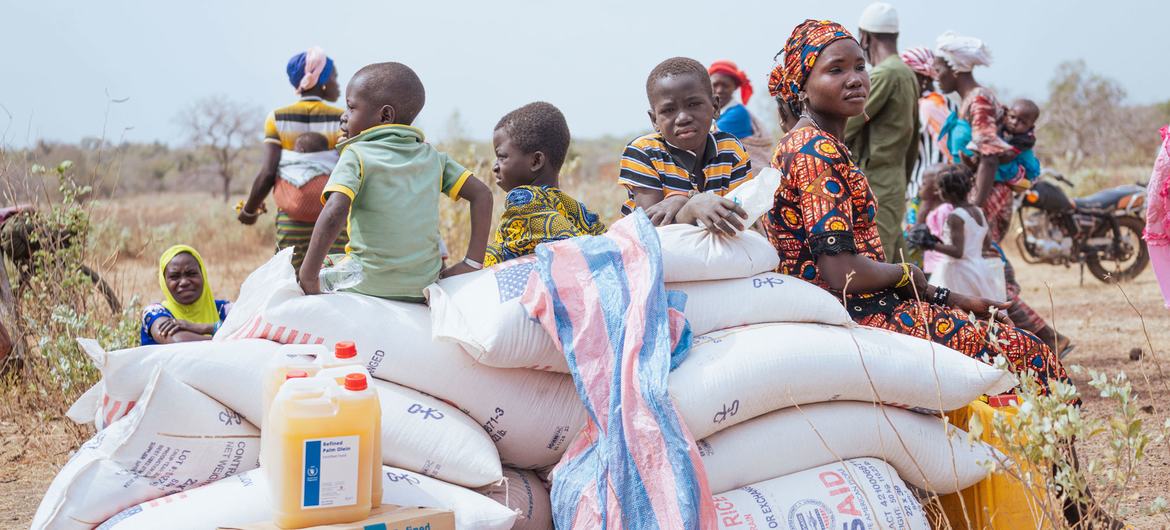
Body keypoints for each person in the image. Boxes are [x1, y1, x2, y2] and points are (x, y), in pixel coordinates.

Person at [765, 19, 1068, 398]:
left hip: (864, 304)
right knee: (1030, 357)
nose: (855, 78)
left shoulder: (812, 143)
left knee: (1010, 343)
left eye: (860, 66)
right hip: (858, 314)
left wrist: (950, 298)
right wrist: (908, 274)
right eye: (835, 70)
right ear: (803, 87)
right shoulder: (816, 151)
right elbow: (842, 271)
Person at [298, 62, 493, 301]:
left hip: (365, 283)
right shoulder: (434, 158)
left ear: (385, 116)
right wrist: (472, 262)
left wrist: (308, 276)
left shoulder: (357, 154)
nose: (344, 116)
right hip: (423, 286)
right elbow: (482, 194)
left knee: (300, 275)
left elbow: (335, 209)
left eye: (351, 107)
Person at [933, 32, 1074, 356]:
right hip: (980, 194)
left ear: (955, 69)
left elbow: (990, 154)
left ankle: (1039, 340)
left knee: (981, 268)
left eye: (939, 68)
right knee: (977, 268)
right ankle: (1033, 341)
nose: (936, 76)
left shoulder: (979, 100)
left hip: (988, 195)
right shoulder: (971, 101)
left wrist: (973, 209)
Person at [238, 47, 348, 270]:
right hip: (332, 212)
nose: (338, 83)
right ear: (322, 81)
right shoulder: (341, 118)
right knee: (334, 274)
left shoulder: (277, 118)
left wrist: (249, 211)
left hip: (292, 216)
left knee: (290, 276)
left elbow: (268, 172)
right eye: (334, 77)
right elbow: (349, 166)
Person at [619, 57, 751, 235]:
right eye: (668, 110)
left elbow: (740, 216)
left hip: (715, 257)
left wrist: (689, 201)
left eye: (693, 104)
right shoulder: (644, 153)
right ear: (654, 120)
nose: (683, 118)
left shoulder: (730, 149)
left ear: (715, 106)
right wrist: (690, 206)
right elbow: (650, 230)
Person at [843, 3, 920, 264]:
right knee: (899, 260)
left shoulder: (886, 74)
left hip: (878, 180)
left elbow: (851, 121)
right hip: (894, 179)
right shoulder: (906, 73)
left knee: (877, 259)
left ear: (864, 37)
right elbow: (914, 138)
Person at [485, 102, 606, 267]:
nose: (495, 166)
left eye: (502, 156)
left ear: (536, 161)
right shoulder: (575, 208)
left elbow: (494, 261)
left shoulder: (524, 201)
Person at [899, 46, 957, 267]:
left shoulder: (922, 107)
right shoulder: (948, 103)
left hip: (922, 193)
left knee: (917, 255)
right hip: (950, 194)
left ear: (919, 77)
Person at [925, 165, 1002, 301]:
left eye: (940, 189)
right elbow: (986, 243)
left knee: (954, 311)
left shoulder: (955, 216)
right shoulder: (978, 211)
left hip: (958, 272)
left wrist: (931, 244)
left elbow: (958, 252)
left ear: (948, 193)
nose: (938, 192)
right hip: (979, 268)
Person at [141, 245, 231, 346]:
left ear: (203, 275)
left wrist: (203, 327)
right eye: (174, 276)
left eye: (191, 273)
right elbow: (179, 341)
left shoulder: (223, 309)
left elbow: (250, 327)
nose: (184, 282)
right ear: (164, 282)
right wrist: (227, 337)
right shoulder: (154, 312)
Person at [708, 60, 773, 171]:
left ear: (735, 87)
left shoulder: (737, 114)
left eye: (725, 86)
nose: (719, 90)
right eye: (715, 85)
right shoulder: (717, 112)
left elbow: (707, 139)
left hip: (747, 177)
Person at [997, 98, 1042, 186]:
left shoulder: (1025, 140)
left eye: (1023, 122)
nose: (1014, 122)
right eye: (1012, 117)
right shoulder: (1003, 124)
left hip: (1025, 171)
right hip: (1011, 160)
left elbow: (1005, 159)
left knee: (999, 166)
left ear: (1030, 126)